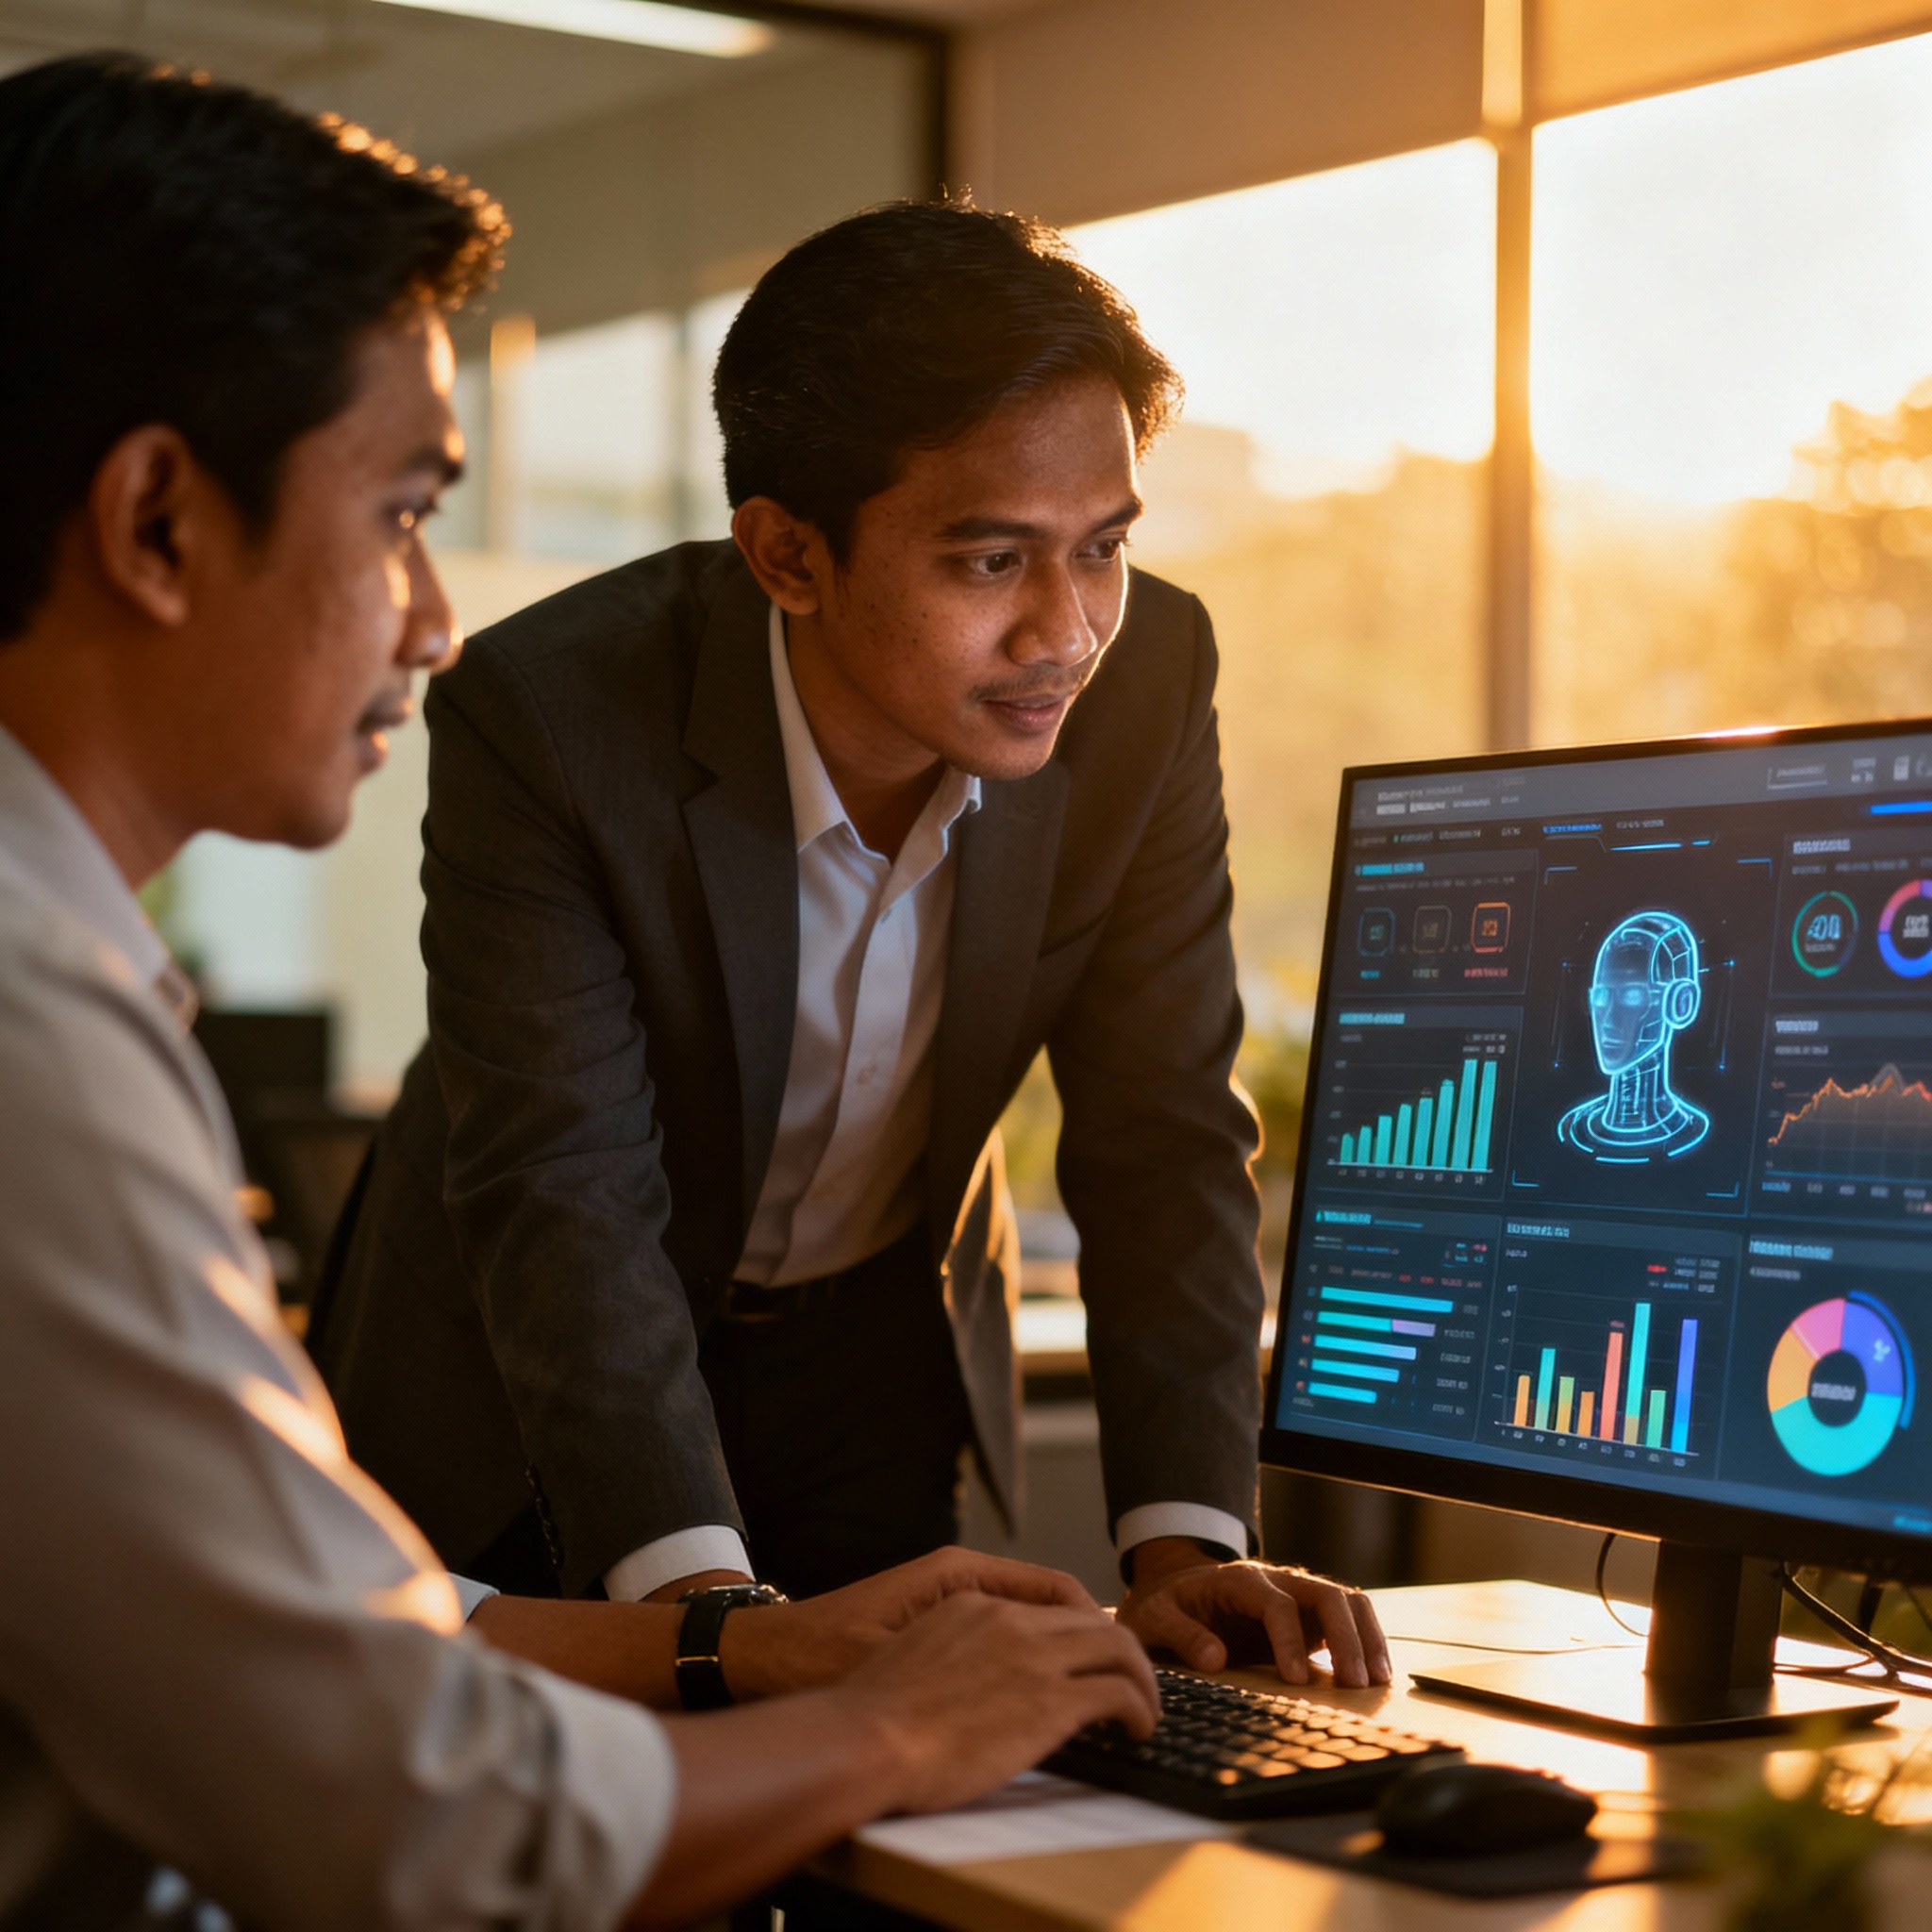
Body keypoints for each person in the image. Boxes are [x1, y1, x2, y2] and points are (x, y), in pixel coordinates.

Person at [0, 52, 1167, 1930]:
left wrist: (746, 1655)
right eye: (399, 515)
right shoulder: (33, 1042)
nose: (428, 616)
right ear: (156, 523)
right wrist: (886, 1730)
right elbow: (423, 1823)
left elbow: (353, 1627)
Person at [314, 202, 1391, 1684]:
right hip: (536, 1374)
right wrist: (711, 1626)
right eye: (992, 562)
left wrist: (1190, 1553)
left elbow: (1165, 1133)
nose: (1068, 633)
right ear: (787, 555)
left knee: (929, 1782)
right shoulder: (554, 713)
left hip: (872, 1353)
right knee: (580, 1802)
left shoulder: (1145, 680)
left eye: (1103, 548)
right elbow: (566, 1189)